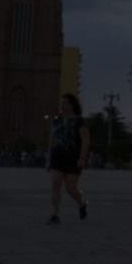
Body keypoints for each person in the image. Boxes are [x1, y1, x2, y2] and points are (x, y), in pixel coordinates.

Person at [47, 93, 89, 224]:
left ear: (72, 105)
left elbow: (85, 140)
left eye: (65, 102)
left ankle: (82, 203)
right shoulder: (56, 120)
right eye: (61, 102)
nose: (62, 105)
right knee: (55, 185)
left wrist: (82, 157)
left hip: (73, 158)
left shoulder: (79, 121)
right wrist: (48, 158)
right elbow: (52, 140)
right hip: (57, 156)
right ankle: (55, 215)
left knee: (71, 189)